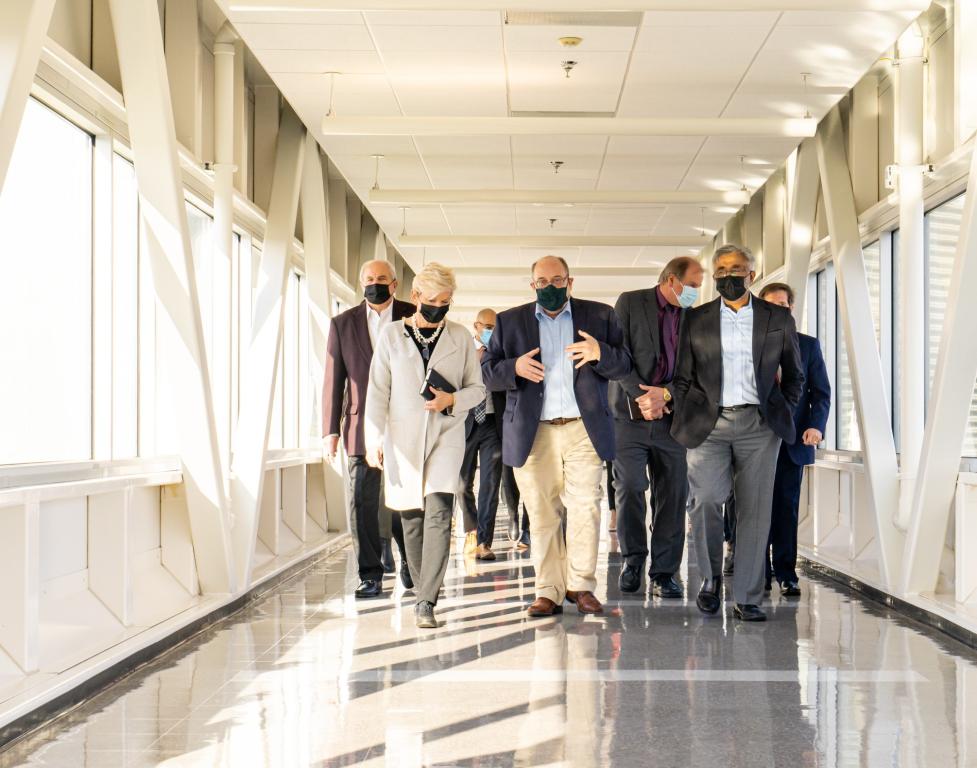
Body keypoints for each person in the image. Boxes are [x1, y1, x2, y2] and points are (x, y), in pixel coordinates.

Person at [482, 256, 632, 618]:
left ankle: (581, 586)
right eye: (542, 282)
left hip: (583, 427)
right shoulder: (509, 321)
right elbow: (487, 372)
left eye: (557, 280)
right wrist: (513, 368)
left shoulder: (600, 316)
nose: (550, 287)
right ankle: (547, 589)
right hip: (533, 432)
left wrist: (601, 353)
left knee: (585, 508)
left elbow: (624, 364)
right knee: (541, 512)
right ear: (532, 284)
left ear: (570, 281)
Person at [670, 244, 804, 622]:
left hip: (760, 427)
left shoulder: (777, 318)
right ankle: (710, 579)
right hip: (708, 426)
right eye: (722, 269)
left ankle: (748, 597)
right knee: (708, 500)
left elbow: (795, 374)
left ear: (752, 273)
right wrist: (686, 410)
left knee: (755, 510)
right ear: (715, 275)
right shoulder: (695, 319)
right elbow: (682, 377)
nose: (729, 275)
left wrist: (782, 412)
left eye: (738, 268)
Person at [364, 263, 485, 628]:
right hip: (402, 437)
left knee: (438, 511)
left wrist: (451, 400)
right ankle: (420, 590)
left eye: (446, 301)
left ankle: (427, 601)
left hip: (447, 434)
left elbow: (477, 390)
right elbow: (376, 392)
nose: (439, 307)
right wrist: (374, 440)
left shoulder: (461, 337)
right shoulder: (392, 336)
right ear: (415, 297)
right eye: (432, 300)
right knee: (410, 518)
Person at [611, 256, 704, 598]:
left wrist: (665, 396)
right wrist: (643, 397)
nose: (696, 291)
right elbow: (618, 358)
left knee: (673, 494)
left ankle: (665, 572)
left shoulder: (695, 317)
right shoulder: (631, 303)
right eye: (692, 285)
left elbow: (697, 371)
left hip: (673, 418)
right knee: (631, 486)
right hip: (629, 416)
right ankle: (633, 558)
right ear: (670, 280)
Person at [323, 260, 414, 599]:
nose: (375, 284)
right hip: (360, 426)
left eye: (382, 279)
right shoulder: (342, 324)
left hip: (405, 425)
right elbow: (334, 381)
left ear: (394, 284)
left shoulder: (413, 315)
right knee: (361, 501)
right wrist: (330, 431)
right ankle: (370, 574)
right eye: (369, 279)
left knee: (403, 500)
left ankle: (409, 560)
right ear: (361, 283)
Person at [758, 283, 831, 596]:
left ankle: (787, 574)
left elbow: (822, 393)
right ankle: (757, 573)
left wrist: (816, 426)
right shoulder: (749, 345)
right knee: (754, 509)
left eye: (784, 304)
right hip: (754, 440)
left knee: (786, 508)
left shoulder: (808, 346)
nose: (780, 309)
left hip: (793, 441)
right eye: (773, 304)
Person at [460, 309, 505, 561]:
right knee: (461, 484)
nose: (490, 331)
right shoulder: (462, 350)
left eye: (494, 327)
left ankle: (484, 542)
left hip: (492, 423)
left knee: (489, 483)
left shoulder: (502, 351)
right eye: (486, 326)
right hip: (466, 422)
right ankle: (471, 529)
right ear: (476, 326)